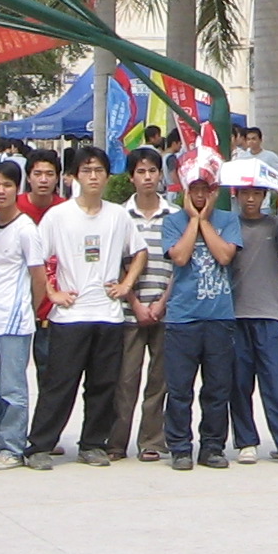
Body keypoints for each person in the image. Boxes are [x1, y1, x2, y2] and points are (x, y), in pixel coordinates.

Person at [28, 146, 146, 469]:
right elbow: (36, 258)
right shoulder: (59, 216)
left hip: (108, 315)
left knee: (103, 385)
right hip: (70, 316)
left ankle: (93, 444)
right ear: (74, 176)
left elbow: (139, 252)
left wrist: (126, 285)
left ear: (107, 176)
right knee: (59, 384)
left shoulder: (118, 215)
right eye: (86, 171)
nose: (93, 177)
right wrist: (51, 293)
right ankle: (39, 446)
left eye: (99, 171)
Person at [160, 159, 241, 470]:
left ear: (214, 191)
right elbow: (180, 257)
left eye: (205, 190)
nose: (199, 195)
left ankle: (212, 446)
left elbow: (224, 255)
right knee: (179, 389)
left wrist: (204, 221)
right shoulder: (173, 222)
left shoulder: (228, 220)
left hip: (219, 316)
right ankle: (180, 447)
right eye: (193, 189)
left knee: (217, 388)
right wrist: (193, 220)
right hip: (183, 318)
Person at [228, 175, 278, 464]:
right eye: (245, 193)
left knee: (276, 381)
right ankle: (246, 441)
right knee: (239, 383)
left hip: (269, 315)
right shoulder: (228, 225)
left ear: (264, 196)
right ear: (236, 194)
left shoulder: (274, 225)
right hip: (236, 316)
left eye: (257, 193)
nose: (251, 199)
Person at [0, 157, 46, 470]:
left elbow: (39, 278)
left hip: (15, 321)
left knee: (11, 389)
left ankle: (12, 447)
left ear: (18, 188)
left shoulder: (26, 229)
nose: (0, 191)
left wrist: (30, 310)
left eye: (7, 185)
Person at [113, 147, 172, 462]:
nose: (147, 177)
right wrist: (134, 302)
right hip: (129, 310)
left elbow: (179, 264)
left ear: (160, 175)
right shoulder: (120, 216)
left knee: (159, 380)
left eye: (152, 171)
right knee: (125, 379)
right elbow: (116, 263)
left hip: (165, 309)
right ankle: (116, 441)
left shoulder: (174, 215)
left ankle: (152, 441)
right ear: (131, 177)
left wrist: (162, 302)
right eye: (140, 172)